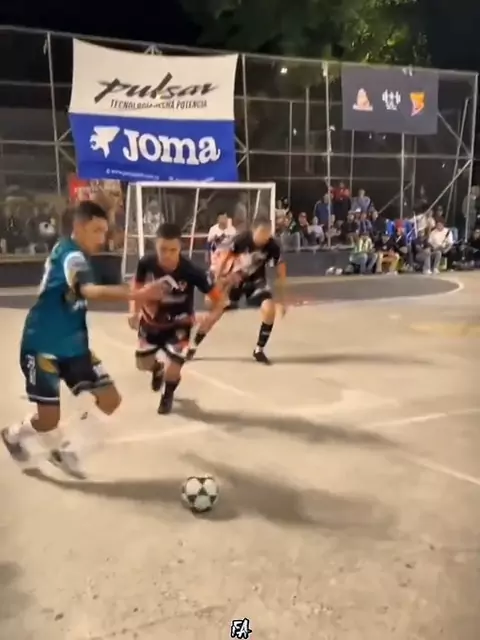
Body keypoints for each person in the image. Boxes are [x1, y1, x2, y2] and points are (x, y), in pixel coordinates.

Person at [1, 201, 159, 478]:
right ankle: (12, 434)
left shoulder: (77, 254)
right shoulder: (71, 255)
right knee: (48, 420)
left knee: (110, 400)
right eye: (97, 230)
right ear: (78, 227)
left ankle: (66, 450)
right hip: (42, 346)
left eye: (104, 231)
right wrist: (138, 294)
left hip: (74, 346)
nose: (103, 238)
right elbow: (89, 290)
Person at [129, 222, 225, 415]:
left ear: (180, 247)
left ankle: (168, 394)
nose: (167, 255)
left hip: (179, 324)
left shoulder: (192, 271)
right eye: (163, 249)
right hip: (151, 321)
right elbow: (136, 286)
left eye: (173, 250)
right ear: (155, 246)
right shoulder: (146, 262)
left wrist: (211, 317)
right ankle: (156, 369)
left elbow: (220, 300)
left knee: (173, 367)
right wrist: (133, 310)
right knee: (142, 364)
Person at [189, 218, 287, 366]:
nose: (264, 239)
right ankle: (193, 345)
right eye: (261, 235)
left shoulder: (272, 246)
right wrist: (216, 283)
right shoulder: (242, 240)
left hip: (256, 280)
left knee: (269, 309)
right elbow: (224, 259)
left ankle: (259, 349)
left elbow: (281, 271)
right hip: (234, 279)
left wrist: (283, 299)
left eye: (267, 235)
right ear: (253, 231)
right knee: (214, 315)